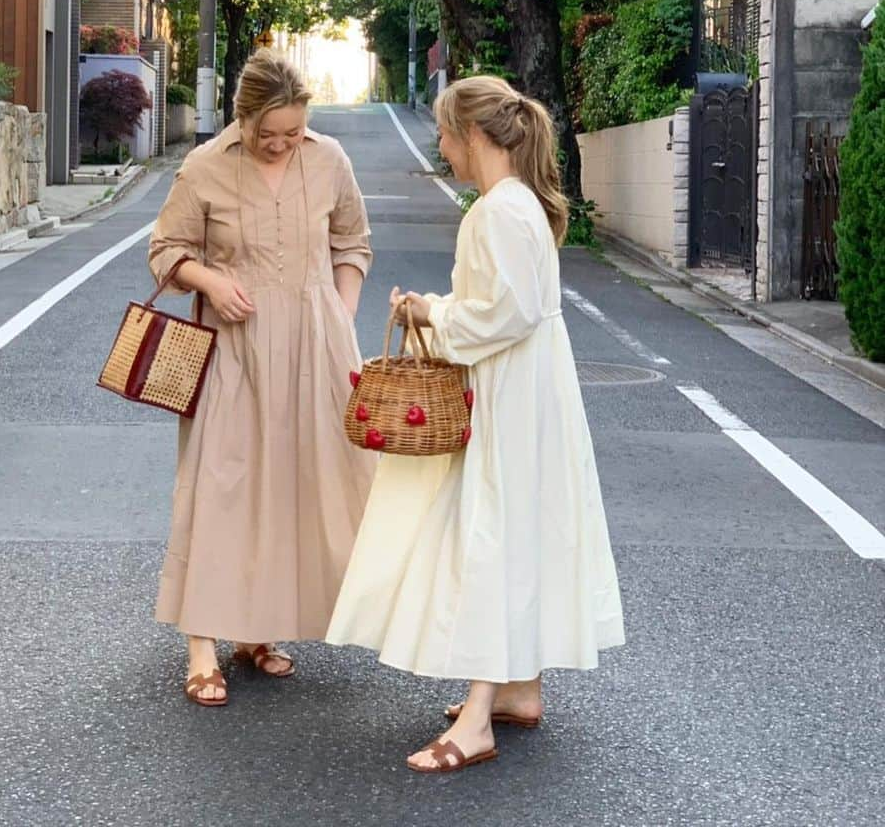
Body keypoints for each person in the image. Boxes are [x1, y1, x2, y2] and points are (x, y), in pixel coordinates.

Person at [326, 75, 624, 772]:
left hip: (509, 395)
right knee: (518, 530)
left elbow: (501, 315)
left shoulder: (495, 211)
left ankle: (481, 718)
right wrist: (441, 307)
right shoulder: (515, 206)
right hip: (529, 389)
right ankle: (518, 689)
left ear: (475, 136)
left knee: (490, 537)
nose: (442, 146)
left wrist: (433, 313)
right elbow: (505, 306)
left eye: (445, 134)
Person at [147, 50, 375, 706]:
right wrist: (211, 280)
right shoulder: (205, 167)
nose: (280, 145)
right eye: (266, 134)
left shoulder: (330, 160)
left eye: (293, 134)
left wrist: (338, 310)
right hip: (233, 349)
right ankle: (201, 645)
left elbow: (352, 243)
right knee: (220, 485)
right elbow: (165, 249)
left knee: (291, 488)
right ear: (240, 118)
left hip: (315, 347)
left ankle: (258, 629)